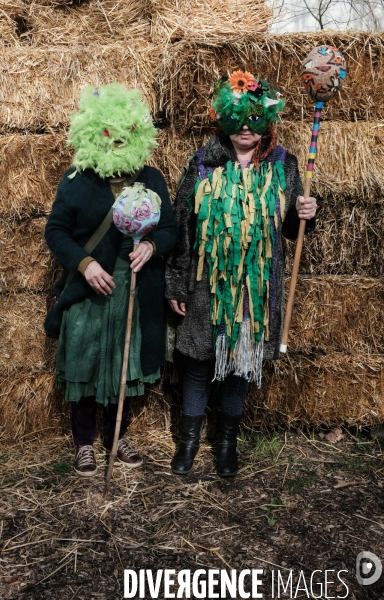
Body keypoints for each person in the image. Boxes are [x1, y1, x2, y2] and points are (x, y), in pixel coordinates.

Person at [165, 71, 317, 477]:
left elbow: (290, 229)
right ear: (222, 119)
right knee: (198, 360)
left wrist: (305, 215)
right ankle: (190, 441)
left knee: (239, 360)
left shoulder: (284, 166)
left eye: (254, 117)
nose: (246, 127)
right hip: (205, 284)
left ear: (266, 120)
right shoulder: (202, 164)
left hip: (255, 286)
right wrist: (176, 282)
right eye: (237, 118)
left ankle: (227, 442)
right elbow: (182, 226)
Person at [45, 83, 177, 477]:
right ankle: (84, 443)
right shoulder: (77, 179)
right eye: (109, 136)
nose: (117, 143)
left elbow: (170, 228)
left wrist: (152, 247)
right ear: (93, 134)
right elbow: (56, 231)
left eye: (125, 137)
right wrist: (84, 264)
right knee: (86, 364)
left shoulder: (151, 177)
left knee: (126, 363)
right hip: (90, 290)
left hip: (135, 290)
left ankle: (116, 435)